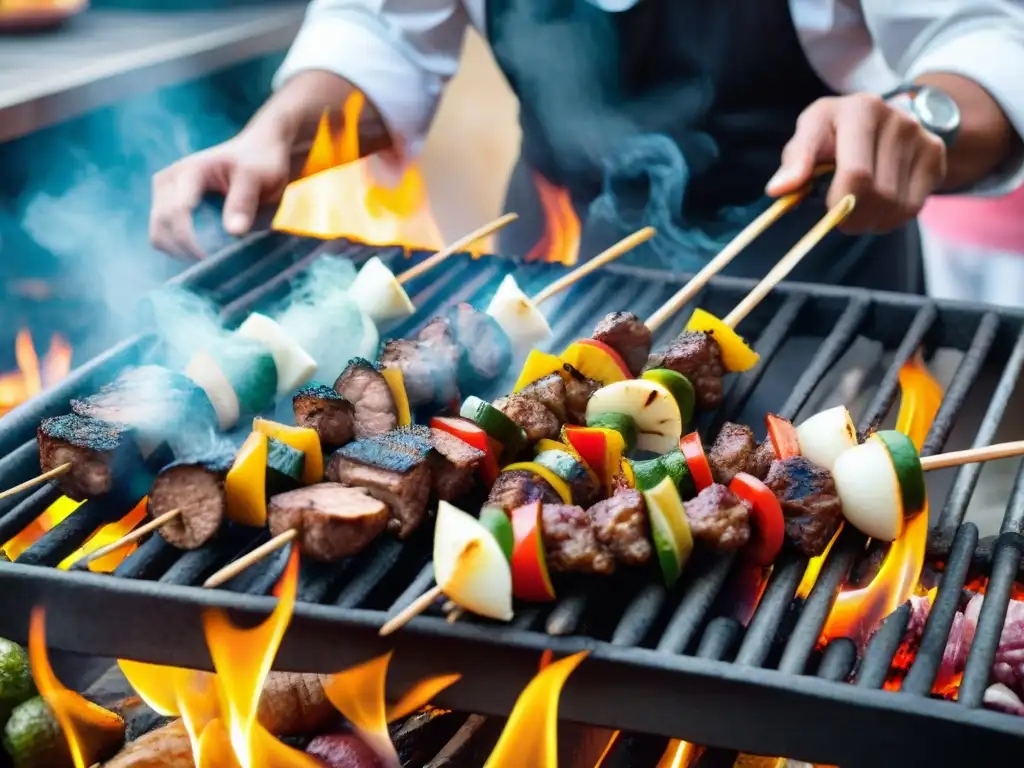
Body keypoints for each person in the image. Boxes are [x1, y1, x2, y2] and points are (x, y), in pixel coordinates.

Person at [150, 0, 1024, 296]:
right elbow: (379, 30)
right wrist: (276, 134)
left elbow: (986, 38)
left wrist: (924, 121)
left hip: (817, 286)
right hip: (559, 272)